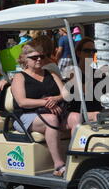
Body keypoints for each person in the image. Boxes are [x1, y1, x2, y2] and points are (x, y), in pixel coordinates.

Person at [11, 39, 67, 177]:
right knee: (52, 120)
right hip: (25, 116)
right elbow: (22, 102)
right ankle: (59, 164)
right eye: (34, 57)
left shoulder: (51, 74)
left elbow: (66, 93)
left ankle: (78, 159)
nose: (38, 60)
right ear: (25, 59)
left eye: (41, 56)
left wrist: (55, 99)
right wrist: (44, 103)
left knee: (76, 117)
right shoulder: (19, 77)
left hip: (52, 111)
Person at [65, 37, 109, 131]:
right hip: (79, 111)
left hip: (96, 109)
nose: (91, 54)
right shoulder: (73, 72)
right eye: (87, 51)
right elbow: (84, 89)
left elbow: (108, 90)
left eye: (93, 51)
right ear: (79, 53)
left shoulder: (96, 72)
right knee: (98, 115)